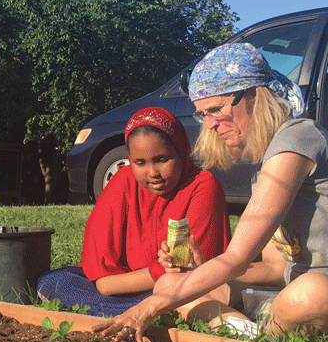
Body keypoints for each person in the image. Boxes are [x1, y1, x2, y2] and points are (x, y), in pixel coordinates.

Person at [95, 43, 328, 342]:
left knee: (308, 294)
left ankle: (254, 338)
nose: (210, 124)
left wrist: (147, 308)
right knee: (169, 283)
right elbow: (275, 269)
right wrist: (203, 267)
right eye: (203, 114)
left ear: (253, 96)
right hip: (289, 291)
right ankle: (258, 340)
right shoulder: (264, 165)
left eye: (217, 110)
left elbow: (237, 258)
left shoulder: (299, 137)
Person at [37, 107, 231, 317]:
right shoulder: (123, 180)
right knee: (54, 280)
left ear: (183, 152)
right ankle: (153, 312)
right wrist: (119, 281)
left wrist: (113, 283)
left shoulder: (202, 186)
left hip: (173, 289)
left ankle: (149, 311)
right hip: (128, 286)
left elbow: (186, 272)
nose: (152, 173)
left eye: (162, 159)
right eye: (140, 163)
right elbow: (100, 273)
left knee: (177, 293)